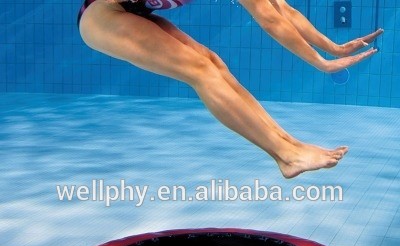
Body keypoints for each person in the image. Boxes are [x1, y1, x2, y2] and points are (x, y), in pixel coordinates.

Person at [77, 0, 383, 178]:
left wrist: (334, 48)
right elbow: (269, 21)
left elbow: (282, 11)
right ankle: (287, 154)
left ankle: (288, 146)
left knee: (213, 64)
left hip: (133, 12)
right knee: (199, 70)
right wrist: (323, 63)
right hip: (103, 16)